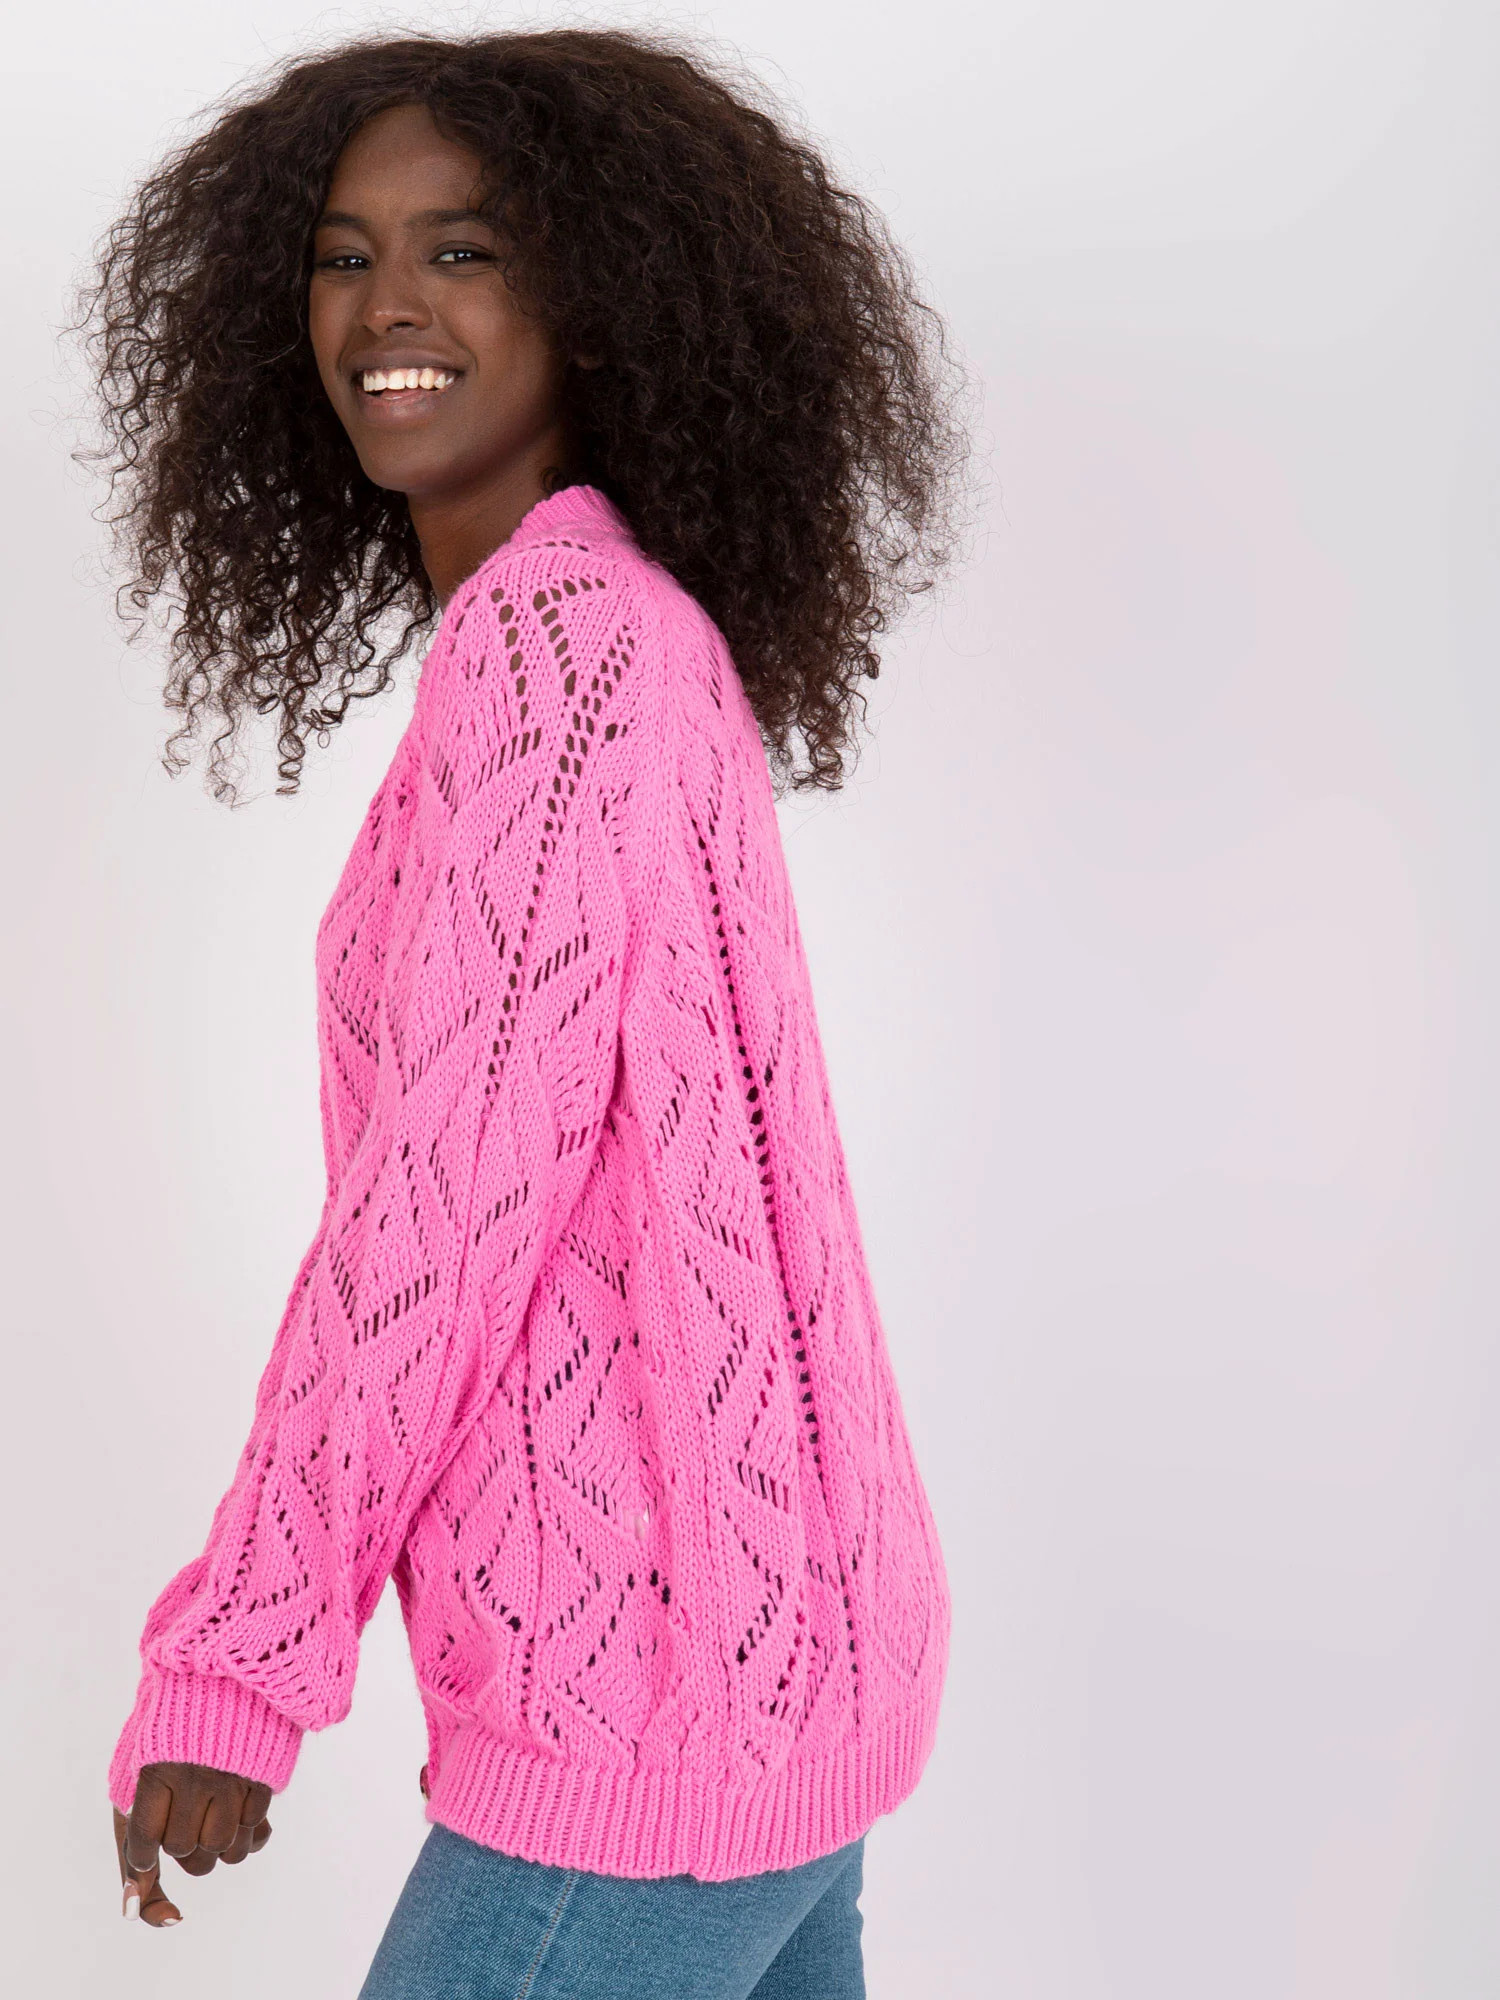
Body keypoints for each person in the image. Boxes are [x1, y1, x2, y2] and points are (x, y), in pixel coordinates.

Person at [87, 27, 967, 1997]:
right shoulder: (623, 625)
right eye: (343, 255)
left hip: (645, 1715)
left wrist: (243, 1656)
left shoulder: (560, 655)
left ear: (600, 303)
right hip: (787, 1672)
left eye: (465, 251)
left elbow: (446, 1211)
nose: (387, 306)